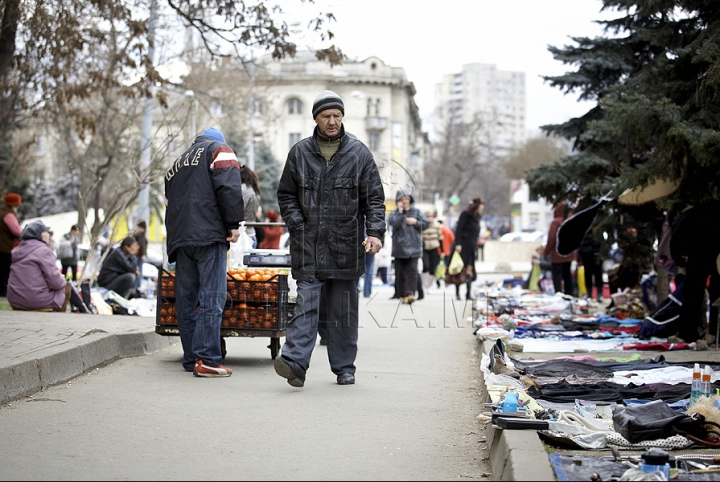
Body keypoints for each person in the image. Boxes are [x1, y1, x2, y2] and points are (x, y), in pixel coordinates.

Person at [275, 89, 386, 387]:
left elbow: (374, 200)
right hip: (308, 244)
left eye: (337, 115)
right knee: (306, 304)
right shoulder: (299, 153)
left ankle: (344, 367)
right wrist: (297, 224)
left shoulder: (359, 154)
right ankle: (295, 363)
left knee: (343, 312)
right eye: (327, 116)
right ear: (316, 118)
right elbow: (286, 194)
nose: (333, 121)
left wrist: (375, 232)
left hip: (346, 245)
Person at [165, 126, 243, 378]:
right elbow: (228, 186)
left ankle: (191, 358)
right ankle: (208, 358)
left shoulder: (177, 162)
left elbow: (169, 198)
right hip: (208, 234)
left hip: (181, 238)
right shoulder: (218, 150)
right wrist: (233, 223)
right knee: (212, 297)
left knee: (186, 300)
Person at [7, 220, 71, 312]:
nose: (48, 235)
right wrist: (62, 279)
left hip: (16, 300)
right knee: (64, 285)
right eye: (47, 232)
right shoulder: (43, 251)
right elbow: (55, 282)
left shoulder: (18, 250)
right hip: (37, 301)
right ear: (41, 235)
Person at [388, 189, 428, 305]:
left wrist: (415, 222)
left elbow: (425, 225)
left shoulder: (417, 212)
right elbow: (393, 223)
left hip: (414, 247)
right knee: (400, 273)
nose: (404, 201)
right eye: (401, 199)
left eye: (406, 199)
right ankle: (403, 295)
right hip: (399, 247)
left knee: (412, 271)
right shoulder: (395, 213)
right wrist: (400, 212)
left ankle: (410, 293)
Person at [452, 197, 485, 300]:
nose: (482, 208)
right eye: (481, 205)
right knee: (460, 269)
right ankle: (457, 293)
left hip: (472, 246)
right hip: (463, 246)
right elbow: (459, 229)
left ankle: (468, 293)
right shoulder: (465, 214)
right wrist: (458, 244)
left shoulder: (477, 216)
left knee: (470, 269)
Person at [544, 202, 576, 296]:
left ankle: (558, 295)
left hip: (557, 255)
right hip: (569, 254)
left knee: (557, 277)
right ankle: (569, 295)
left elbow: (551, 238)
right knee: (567, 276)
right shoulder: (570, 221)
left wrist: (546, 251)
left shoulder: (556, 222)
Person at [0, 193, 22, 297]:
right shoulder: (8, 215)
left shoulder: (1, 212)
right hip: (6, 247)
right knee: (5, 272)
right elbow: (17, 231)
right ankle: (4, 293)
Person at [578, 223, 604, 302]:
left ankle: (599, 294)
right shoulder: (584, 230)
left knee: (598, 274)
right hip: (586, 255)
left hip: (596, 254)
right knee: (587, 274)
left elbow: (601, 242)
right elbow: (580, 243)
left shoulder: (598, 230)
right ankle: (589, 293)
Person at [240, 164, 261, 248]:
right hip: (252, 233)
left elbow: (238, 210)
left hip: (242, 235)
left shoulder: (243, 190)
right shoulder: (255, 190)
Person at [421, 211, 442, 290]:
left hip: (434, 247)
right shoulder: (422, 225)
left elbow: (440, 238)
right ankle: (423, 284)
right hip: (425, 248)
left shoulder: (437, 225)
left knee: (433, 268)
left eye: (430, 216)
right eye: (427, 216)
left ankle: (428, 286)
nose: (429, 218)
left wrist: (442, 251)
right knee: (425, 266)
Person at [437, 218, 455, 288]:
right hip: (447, 251)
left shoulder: (436, 230)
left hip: (438, 252)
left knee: (438, 267)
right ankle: (446, 280)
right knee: (446, 267)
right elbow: (452, 239)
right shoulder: (448, 231)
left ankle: (438, 281)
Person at [132, 220, 148, 294]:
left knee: (136, 270)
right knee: (139, 271)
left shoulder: (136, 232)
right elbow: (142, 244)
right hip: (139, 255)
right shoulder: (141, 233)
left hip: (135, 254)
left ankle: (135, 287)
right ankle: (137, 287)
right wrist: (143, 254)